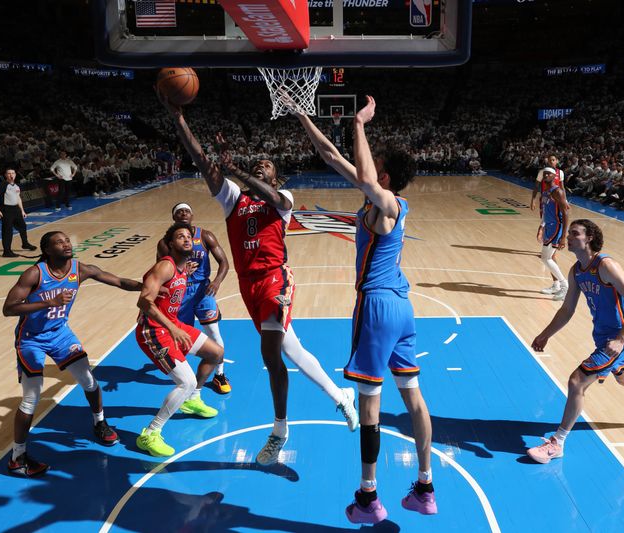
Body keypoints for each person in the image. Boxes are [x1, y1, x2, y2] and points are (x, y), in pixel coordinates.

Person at [158, 93, 358, 467]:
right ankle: (339, 395)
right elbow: (203, 162)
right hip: (249, 287)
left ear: (274, 176)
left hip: (275, 278)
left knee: (271, 352)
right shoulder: (234, 199)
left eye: (266, 165)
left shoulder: (282, 198)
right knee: (289, 349)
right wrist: (179, 118)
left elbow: (268, 193)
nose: (261, 166)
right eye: (257, 164)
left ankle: (280, 430)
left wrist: (237, 169)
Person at [293, 96, 435, 523]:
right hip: (401, 307)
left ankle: (368, 497)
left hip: (375, 308)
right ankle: (425, 489)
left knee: (370, 404)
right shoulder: (380, 202)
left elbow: (371, 181)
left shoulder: (389, 206)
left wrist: (358, 123)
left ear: (387, 177)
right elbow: (329, 154)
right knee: (413, 399)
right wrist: (302, 116)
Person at [527, 219, 624, 464]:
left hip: (617, 339)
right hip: (604, 338)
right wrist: (545, 334)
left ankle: (557, 443)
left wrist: (621, 338)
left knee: (577, 381)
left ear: (590, 239)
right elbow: (567, 310)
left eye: (575, 234)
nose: (569, 237)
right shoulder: (577, 271)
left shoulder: (605, 265)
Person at [1, 231, 143, 476]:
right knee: (31, 398)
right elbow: (9, 308)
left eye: (67, 240)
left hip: (60, 334)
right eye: (59, 242)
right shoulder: (35, 273)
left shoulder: (81, 269)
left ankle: (99, 423)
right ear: (47, 250)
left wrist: (148, 287)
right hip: (31, 340)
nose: (66, 244)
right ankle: (17, 457)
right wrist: (49, 302)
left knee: (88, 380)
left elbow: (119, 281)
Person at [135, 222, 225, 457]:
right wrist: (171, 329)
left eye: (189, 236)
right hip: (153, 330)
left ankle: (193, 399)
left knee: (216, 353)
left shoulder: (184, 268)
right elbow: (144, 302)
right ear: (170, 244)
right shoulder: (165, 266)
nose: (187, 239)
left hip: (171, 324)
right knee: (184, 382)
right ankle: (150, 434)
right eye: (180, 237)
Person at [157, 202, 232, 396]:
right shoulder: (165, 243)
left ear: (192, 215)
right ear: (174, 218)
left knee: (214, 334)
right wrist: (179, 273)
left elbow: (224, 262)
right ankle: (186, 379)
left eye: (187, 210)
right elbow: (161, 272)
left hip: (203, 292)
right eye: (179, 211)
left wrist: (216, 281)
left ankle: (220, 374)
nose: (183, 213)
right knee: (181, 339)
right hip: (180, 294)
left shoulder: (205, 235)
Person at [532, 156, 568, 296]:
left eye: (549, 174)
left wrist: (563, 236)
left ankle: (564, 286)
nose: (547, 175)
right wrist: (541, 228)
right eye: (545, 173)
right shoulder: (546, 192)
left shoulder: (557, 192)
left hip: (556, 228)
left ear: (555, 176)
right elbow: (547, 213)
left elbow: (566, 214)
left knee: (546, 258)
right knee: (548, 258)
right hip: (549, 227)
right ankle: (557, 285)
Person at [0, 168, 37, 257]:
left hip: (16, 209)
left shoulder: (16, 186)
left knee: (23, 226)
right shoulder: (3, 185)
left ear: (15, 175)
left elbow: (18, 198)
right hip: (6, 210)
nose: (11, 175)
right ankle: (7, 251)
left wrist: (22, 210)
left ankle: (25, 244)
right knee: (7, 231)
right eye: (9, 173)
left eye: (13, 173)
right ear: (6, 175)